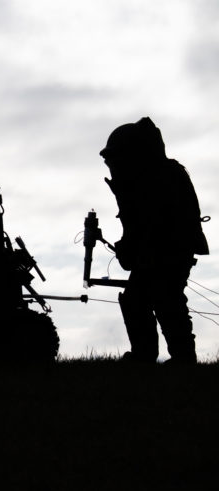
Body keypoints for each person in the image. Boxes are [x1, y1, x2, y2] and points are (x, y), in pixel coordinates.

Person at [100, 117, 209, 364]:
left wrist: (138, 248)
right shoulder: (141, 181)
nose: (113, 165)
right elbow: (136, 222)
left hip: (169, 250)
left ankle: (181, 359)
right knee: (139, 300)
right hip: (155, 251)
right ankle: (147, 356)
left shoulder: (162, 176)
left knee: (166, 300)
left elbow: (159, 220)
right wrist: (129, 246)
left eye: (117, 159)